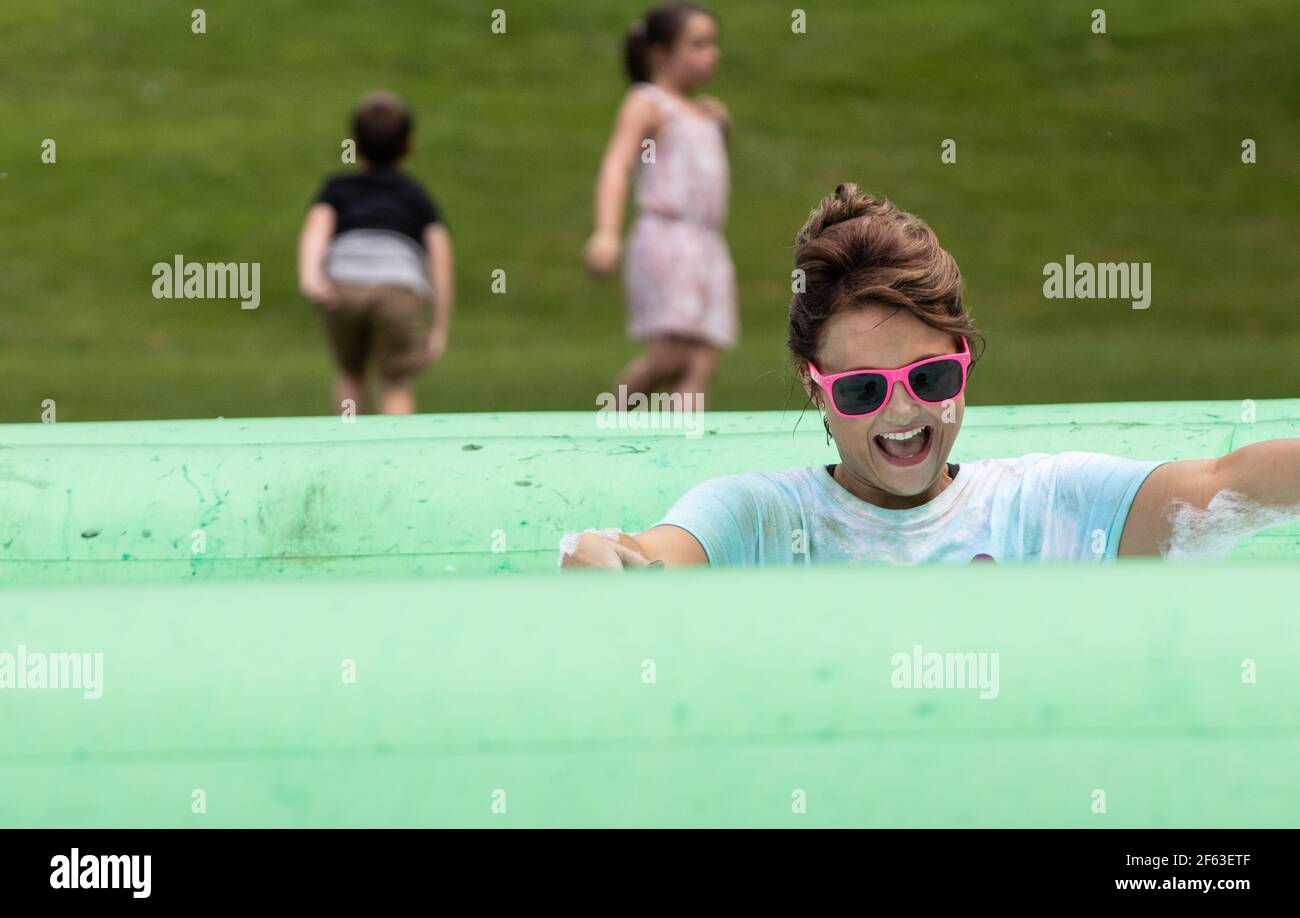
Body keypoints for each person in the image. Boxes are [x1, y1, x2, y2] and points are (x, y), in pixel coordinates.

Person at [560, 183, 1300, 569]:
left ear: (965, 359)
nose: (903, 410)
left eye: (932, 377)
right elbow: (660, 554)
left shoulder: (1050, 506)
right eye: (861, 390)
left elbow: (1222, 485)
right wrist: (608, 561)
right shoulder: (760, 520)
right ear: (817, 391)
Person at [583, 2, 737, 412]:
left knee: (704, 356)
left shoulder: (709, 113)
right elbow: (617, 165)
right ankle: (610, 419)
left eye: (713, 43)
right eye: (698, 44)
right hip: (667, 239)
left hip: (707, 244)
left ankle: (681, 450)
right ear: (660, 53)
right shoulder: (647, 104)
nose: (712, 53)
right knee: (670, 355)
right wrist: (606, 232)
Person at [298, 90, 454, 415]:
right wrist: (438, 327)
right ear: (409, 146)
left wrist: (312, 277)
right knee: (395, 379)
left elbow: (317, 229)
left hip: (344, 286)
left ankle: (348, 443)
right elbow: (440, 257)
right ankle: (396, 457)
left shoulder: (337, 188)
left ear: (353, 145)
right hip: (398, 289)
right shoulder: (416, 195)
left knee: (350, 372)